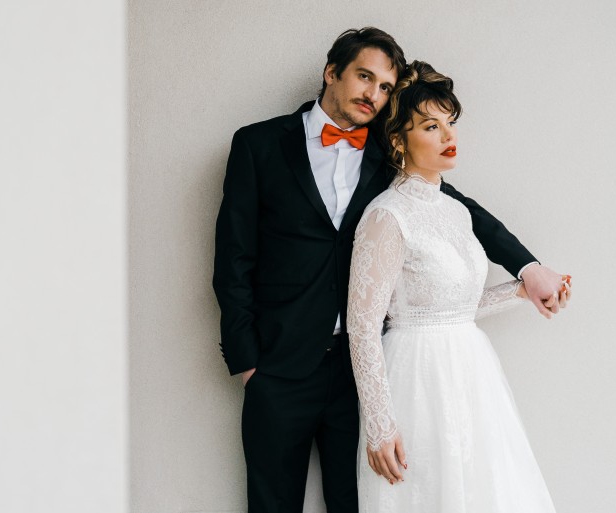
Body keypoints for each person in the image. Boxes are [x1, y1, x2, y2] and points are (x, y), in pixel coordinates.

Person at [213, 27, 568, 513]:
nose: (374, 95)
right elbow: (233, 259)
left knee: (362, 501)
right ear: (331, 72)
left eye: (384, 86)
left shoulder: (389, 151)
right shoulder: (258, 144)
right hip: (279, 364)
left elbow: (459, 209)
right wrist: (249, 363)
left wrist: (527, 268)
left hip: (365, 370)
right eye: (365, 77)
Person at [347, 60, 566, 512]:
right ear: (399, 140)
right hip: (417, 379)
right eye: (432, 126)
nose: (449, 136)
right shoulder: (386, 215)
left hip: (472, 374)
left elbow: (452, 309)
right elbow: (363, 326)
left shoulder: (458, 212)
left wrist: (519, 291)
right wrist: (380, 424)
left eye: (450, 123)